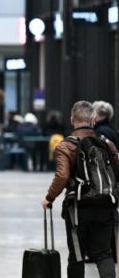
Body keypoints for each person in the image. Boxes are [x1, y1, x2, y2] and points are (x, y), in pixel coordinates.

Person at [42, 101, 119, 278]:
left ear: (71, 120)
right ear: (93, 120)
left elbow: (62, 176)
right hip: (105, 204)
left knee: (76, 257)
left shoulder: (65, 146)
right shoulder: (106, 144)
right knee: (104, 253)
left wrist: (49, 198)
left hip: (78, 208)